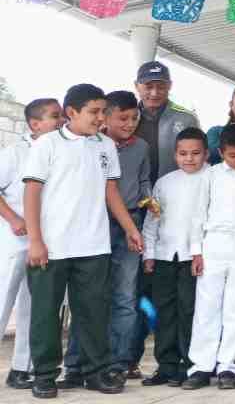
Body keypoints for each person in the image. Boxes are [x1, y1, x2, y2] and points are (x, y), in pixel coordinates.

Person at [23, 84, 144, 399]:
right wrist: (35, 241)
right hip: (52, 246)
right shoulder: (47, 144)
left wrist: (131, 228)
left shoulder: (105, 145)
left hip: (94, 246)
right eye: (94, 111)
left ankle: (95, 373)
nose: (100, 117)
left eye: (103, 111)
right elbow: (32, 192)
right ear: (71, 113)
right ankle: (45, 375)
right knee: (46, 314)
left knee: (93, 313)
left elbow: (111, 192)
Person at [63, 91, 154, 384]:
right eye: (122, 118)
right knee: (88, 297)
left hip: (128, 223)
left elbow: (143, 182)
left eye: (135, 119)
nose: (129, 124)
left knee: (125, 297)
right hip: (94, 225)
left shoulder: (141, 147)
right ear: (106, 117)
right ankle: (76, 365)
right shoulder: (90, 143)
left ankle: (118, 362)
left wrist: (141, 214)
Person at [183, 124, 235, 390]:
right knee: (207, 307)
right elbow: (198, 214)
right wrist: (196, 250)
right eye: (233, 155)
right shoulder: (211, 175)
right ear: (221, 152)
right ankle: (201, 366)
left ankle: (227, 365)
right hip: (214, 243)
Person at [140, 127, 211, 387]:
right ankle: (166, 365)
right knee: (165, 310)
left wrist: (200, 252)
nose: (189, 159)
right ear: (175, 154)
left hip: (195, 257)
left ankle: (189, 363)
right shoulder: (165, 182)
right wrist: (149, 252)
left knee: (189, 310)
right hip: (164, 255)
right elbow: (152, 220)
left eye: (195, 153)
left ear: (206, 153)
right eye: (183, 153)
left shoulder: (212, 177)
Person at [0, 98, 62, 391]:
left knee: (32, 307)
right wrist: (12, 218)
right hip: (14, 239)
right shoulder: (15, 152)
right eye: (55, 116)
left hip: (45, 240)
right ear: (35, 124)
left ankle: (21, 368)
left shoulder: (60, 149)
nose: (61, 120)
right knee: (2, 301)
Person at [134, 61, 200, 187]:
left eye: (161, 87)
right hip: (132, 197)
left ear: (170, 86)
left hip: (173, 193)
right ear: (137, 86)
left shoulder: (187, 119)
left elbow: (199, 159)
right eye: (148, 86)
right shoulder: (125, 118)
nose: (154, 93)